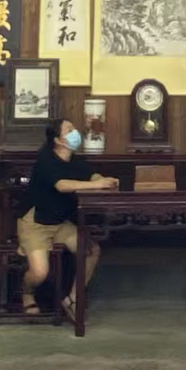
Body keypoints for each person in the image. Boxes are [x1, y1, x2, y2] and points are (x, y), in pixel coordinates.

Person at [18, 118, 118, 316]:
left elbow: (92, 176)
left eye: (74, 128)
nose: (75, 133)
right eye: (69, 130)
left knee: (91, 250)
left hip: (61, 224)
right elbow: (62, 185)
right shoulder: (45, 159)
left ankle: (73, 298)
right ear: (58, 140)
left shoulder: (76, 161)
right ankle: (26, 293)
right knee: (39, 273)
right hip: (36, 223)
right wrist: (95, 185)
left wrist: (104, 181)